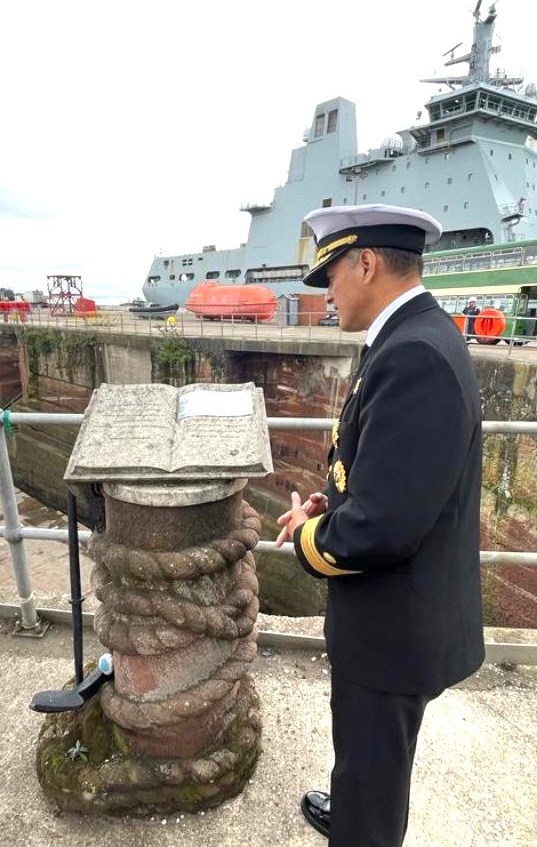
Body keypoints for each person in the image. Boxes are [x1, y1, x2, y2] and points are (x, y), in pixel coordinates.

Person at [275, 204, 485, 847]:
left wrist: (311, 541)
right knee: (367, 760)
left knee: (373, 773)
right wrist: (328, 505)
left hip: (392, 627)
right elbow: (383, 473)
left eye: (331, 275)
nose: (327, 294)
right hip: (394, 614)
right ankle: (356, 805)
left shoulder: (413, 354)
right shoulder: (407, 337)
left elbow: (385, 526)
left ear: (366, 263)